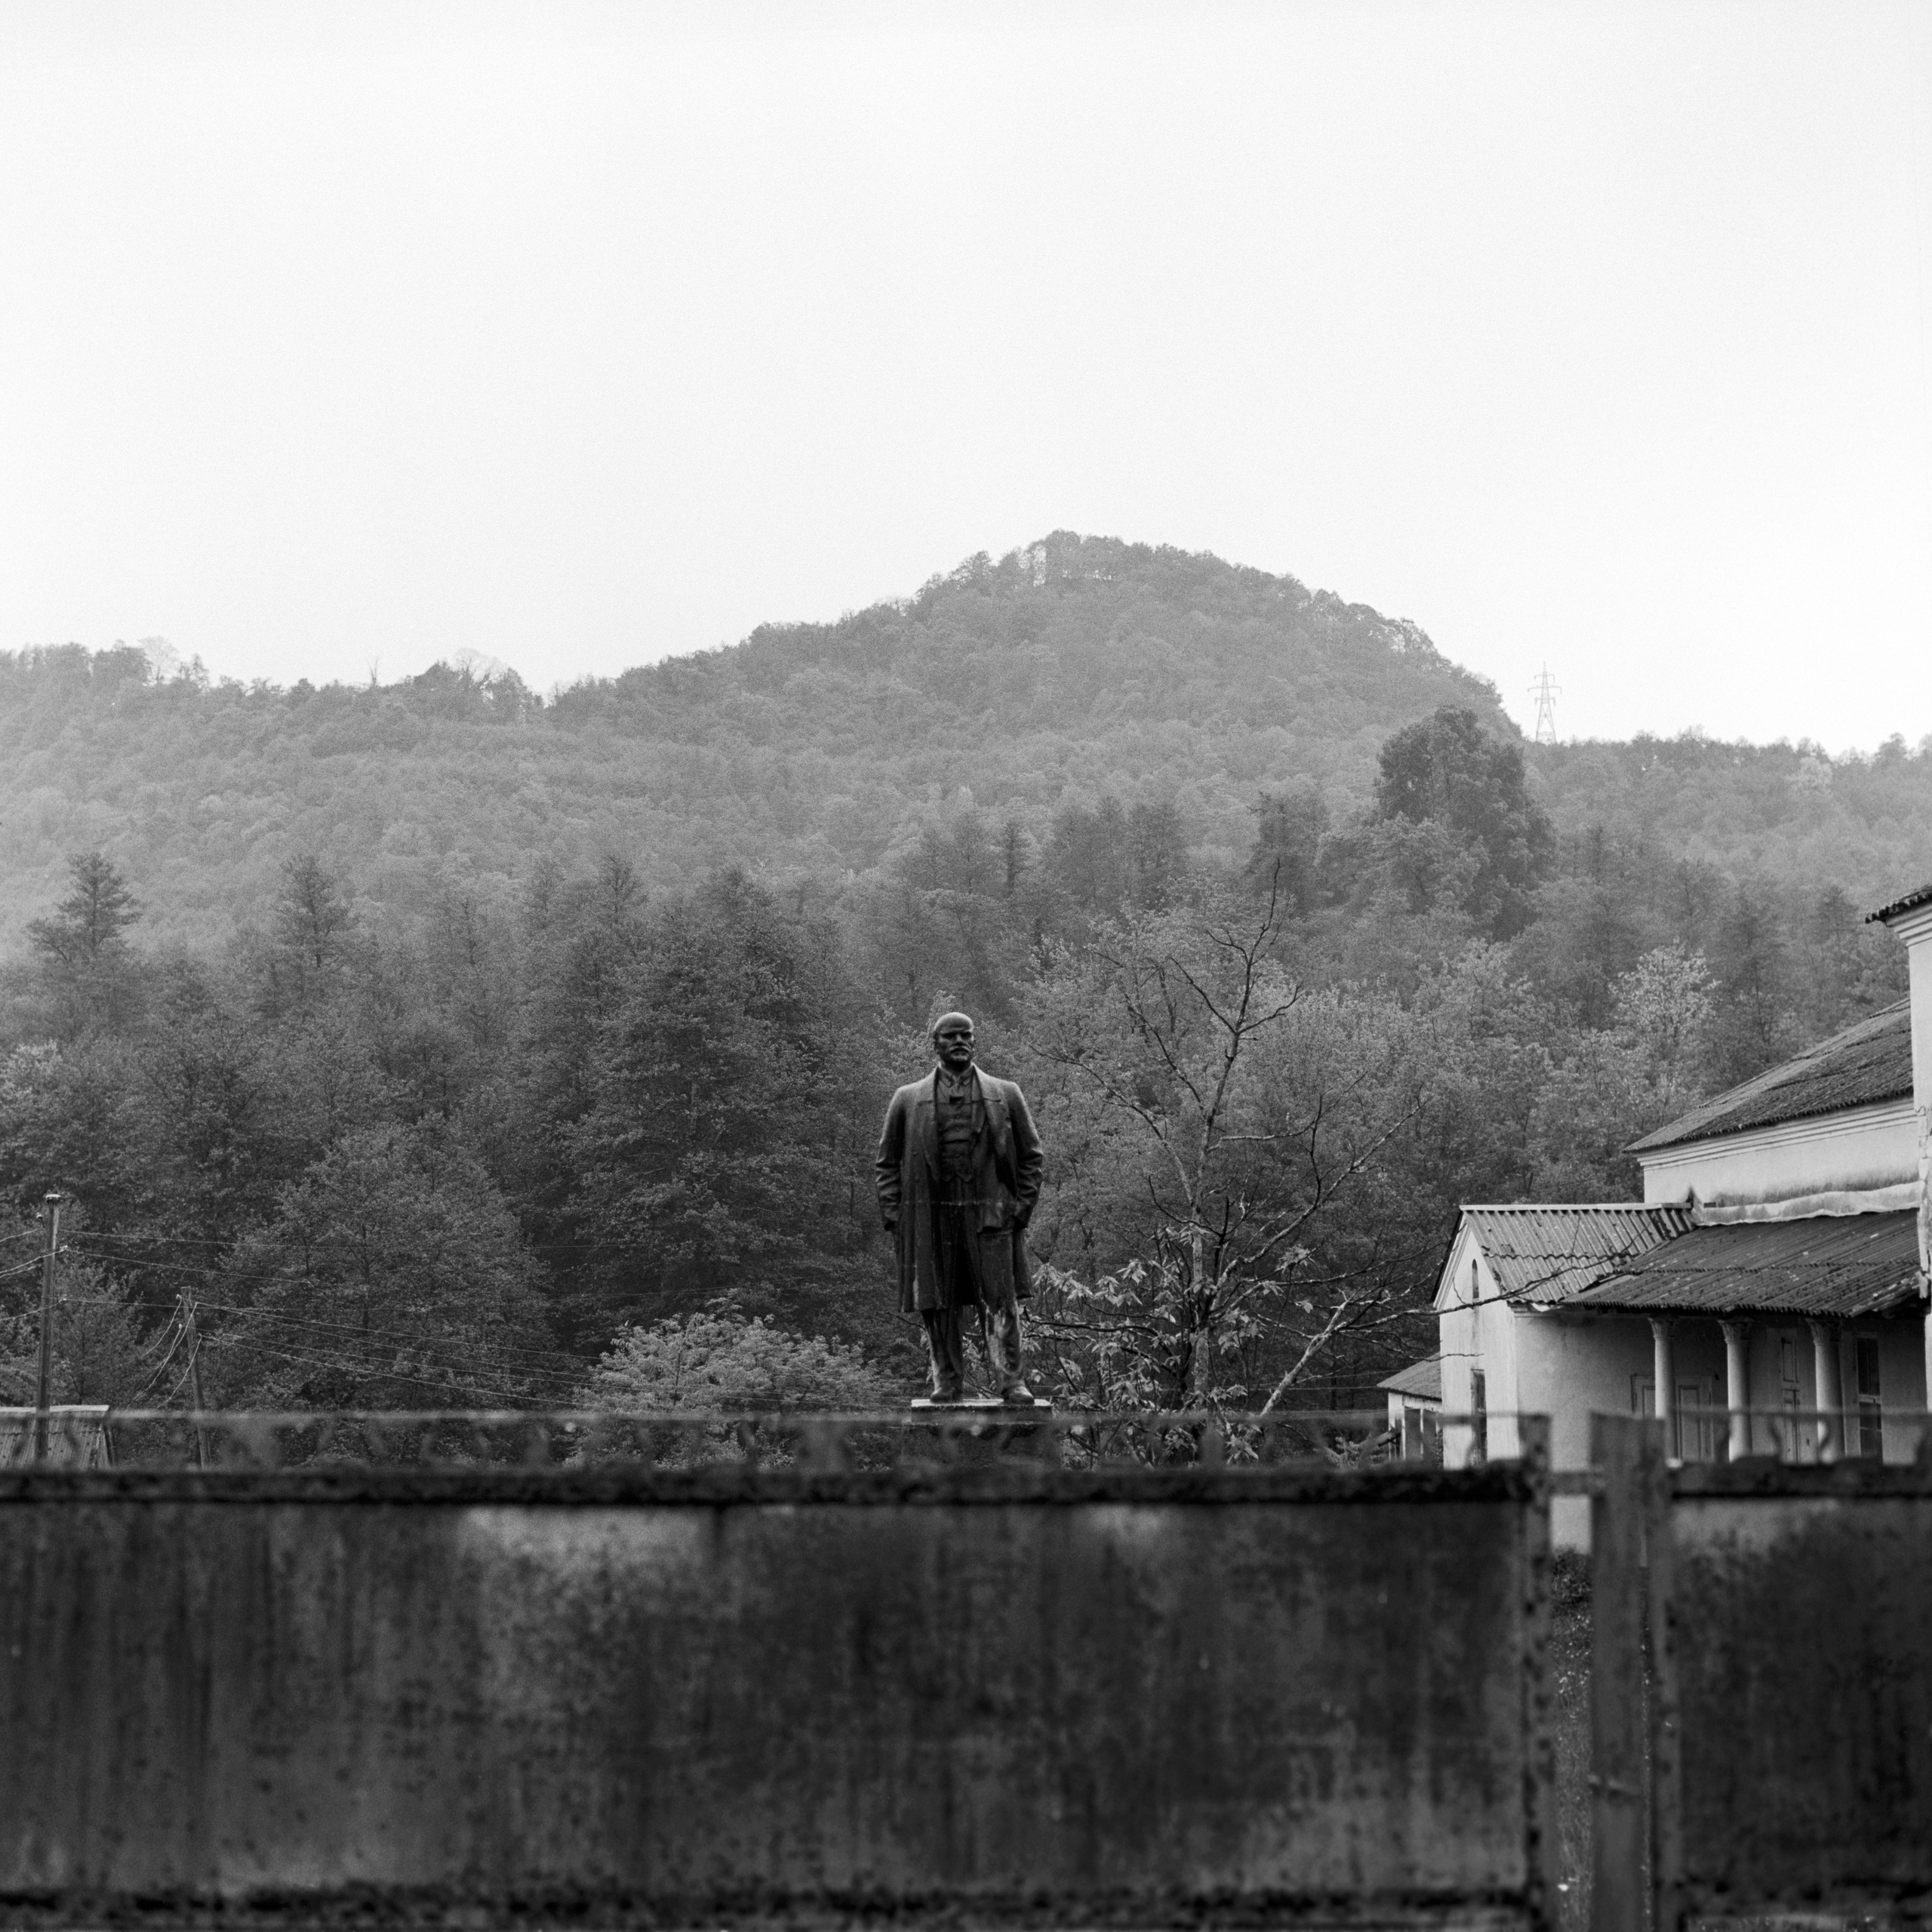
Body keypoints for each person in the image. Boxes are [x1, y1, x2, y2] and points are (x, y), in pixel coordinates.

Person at [875, 1011, 1044, 1404]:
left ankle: (1012, 1382)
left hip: (991, 1215)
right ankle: (947, 1382)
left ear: (974, 1041)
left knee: (1000, 1300)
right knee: (938, 1302)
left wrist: (1021, 1209)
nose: (959, 1042)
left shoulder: (1006, 1093)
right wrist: (896, 1218)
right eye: (950, 1036)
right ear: (935, 1044)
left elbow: (1032, 1156)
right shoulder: (907, 1098)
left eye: (966, 1035)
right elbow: (886, 1163)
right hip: (931, 1216)